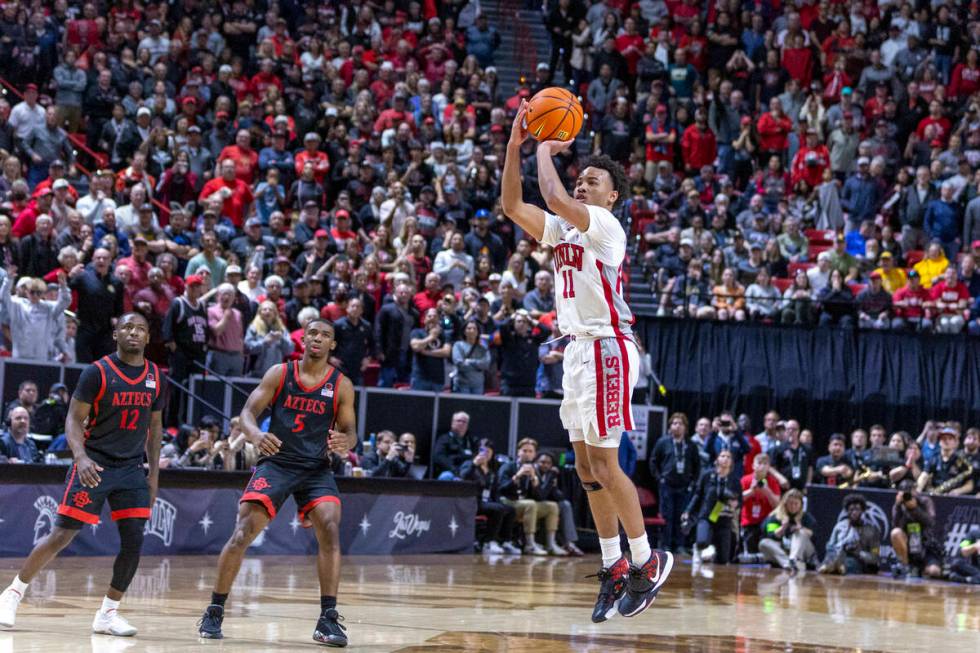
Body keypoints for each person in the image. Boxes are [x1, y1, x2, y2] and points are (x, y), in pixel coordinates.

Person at [500, 98, 672, 621]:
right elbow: (514, 206)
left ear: (612, 196)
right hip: (577, 351)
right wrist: (514, 146)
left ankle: (648, 560)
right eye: (582, 180)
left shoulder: (604, 226)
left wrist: (546, 148)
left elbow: (549, 192)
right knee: (585, 469)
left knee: (604, 462)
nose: (582, 185)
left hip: (608, 347)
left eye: (593, 180)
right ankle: (613, 563)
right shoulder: (566, 230)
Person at [0, 313, 164, 635]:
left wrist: (154, 476)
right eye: (128, 328)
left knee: (134, 542)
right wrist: (81, 457)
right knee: (62, 535)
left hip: (131, 468)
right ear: (116, 334)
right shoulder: (97, 372)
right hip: (95, 464)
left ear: (147, 337)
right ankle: (12, 594)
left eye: (141, 329)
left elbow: (155, 428)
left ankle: (108, 614)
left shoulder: (156, 376)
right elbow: (73, 420)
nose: (134, 333)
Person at [197, 318, 356, 646]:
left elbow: (350, 430)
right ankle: (215, 608)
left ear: (332, 345)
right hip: (278, 463)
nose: (317, 338)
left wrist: (346, 442)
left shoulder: (341, 385)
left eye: (325, 335)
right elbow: (247, 413)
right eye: (312, 332)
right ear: (304, 338)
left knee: (330, 525)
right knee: (243, 532)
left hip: (315, 468)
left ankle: (328, 619)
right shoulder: (280, 373)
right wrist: (254, 434)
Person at [497, 437, 564, 556]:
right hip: (507, 502)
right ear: (518, 452)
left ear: (534, 455)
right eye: (524, 450)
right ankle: (530, 544)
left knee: (552, 506)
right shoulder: (508, 466)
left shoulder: (534, 470)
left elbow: (540, 496)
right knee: (531, 504)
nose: (527, 454)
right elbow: (501, 489)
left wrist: (534, 478)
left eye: (530, 451)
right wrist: (517, 476)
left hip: (524, 504)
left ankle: (550, 544)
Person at [649, 413, 701, 554]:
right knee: (667, 516)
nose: (677, 426)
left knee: (682, 516)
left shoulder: (690, 445)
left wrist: (693, 482)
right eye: (674, 423)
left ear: (685, 427)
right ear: (670, 426)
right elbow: (653, 461)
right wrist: (660, 478)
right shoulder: (663, 442)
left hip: (684, 486)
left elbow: (697, 466)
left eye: (681, 423)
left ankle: (680, 545)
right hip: (667, 485)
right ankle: (665, 545)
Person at [459, 438, 521, 555]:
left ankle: (505, 541)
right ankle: (488, 542)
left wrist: (499, 502)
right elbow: (462, 477)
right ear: (477, 451)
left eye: (489, 451)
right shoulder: (469, 464)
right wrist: (474, 465)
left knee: (510, 509)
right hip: (472, 501)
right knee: (497, 509)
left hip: (487, 501)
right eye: (483, 450)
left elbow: (495, 490)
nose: (486, 454)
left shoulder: (492, 469)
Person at [683, 449, 741, 566]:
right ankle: (699, 547)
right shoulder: (707, 475)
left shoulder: (734, 480)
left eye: (728, 457)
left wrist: (736, 504)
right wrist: (688, 511)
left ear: (732, 462)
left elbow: (739, 501)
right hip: (707, 514)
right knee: (702, 542)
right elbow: (697, 495)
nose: (725, 459)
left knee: (724, 559)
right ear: (717, 459)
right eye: (722, 456)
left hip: (724, 517)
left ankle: (711, 551)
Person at [889, 481, 943, 579]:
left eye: (910, 492)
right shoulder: (899, 506)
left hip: (926, 547)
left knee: (934, 572)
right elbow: (895, 525)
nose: (909, 495)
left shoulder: (925, 501)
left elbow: (930, 522)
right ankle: (905, 566)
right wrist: (897, 506)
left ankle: (920, 569)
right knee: (895, 533)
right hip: (908, 547)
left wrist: (915, 509)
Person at [818, 493, 881, 576]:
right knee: (832, 558)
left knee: (849, 563)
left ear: (863, 510)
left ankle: (837, 567)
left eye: (857, 509)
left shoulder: (871, 530)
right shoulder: (840, 526)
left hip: (857, 561)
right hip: (838, 556)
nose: (854, 512)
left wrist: (858, 553)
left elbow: (875, 558)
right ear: (847, 511)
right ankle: (833, 566)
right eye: (851, 509)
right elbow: (830, 547)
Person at [758, 489, 816, 573]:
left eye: (796, 504)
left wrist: (800, 528)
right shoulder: (775, 517)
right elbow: (771, 535)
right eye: (790, 503)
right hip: (782, 550)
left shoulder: (806, 517)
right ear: (785, 503)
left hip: (802, 552)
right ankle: (788, 563)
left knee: (801, 533)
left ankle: (794, 559)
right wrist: (783, 527)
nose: (793, 506)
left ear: (801, 505)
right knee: (764, 543)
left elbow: (813, 534)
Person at [738, 454, 782, 559]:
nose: (762, 466)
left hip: (766, 522)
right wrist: (751, 492)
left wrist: (767, 491)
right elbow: (737, 500)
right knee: (751, 553)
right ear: (753, 466)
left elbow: (777, 505)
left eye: (765, 463)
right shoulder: (745, 480)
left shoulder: (773, 482)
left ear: (769, 467)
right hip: (749, 522)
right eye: (759, 463)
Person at [432, 412, 475, 480]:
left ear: (467, 425)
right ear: (452, 423)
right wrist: (454, 470)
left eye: (464, 422)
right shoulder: (444, 439)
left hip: (467, 472)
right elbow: (438, 456)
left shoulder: (471, 441)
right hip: (450, 472)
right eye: (458, 421)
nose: (461, 423)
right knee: (446, 476)